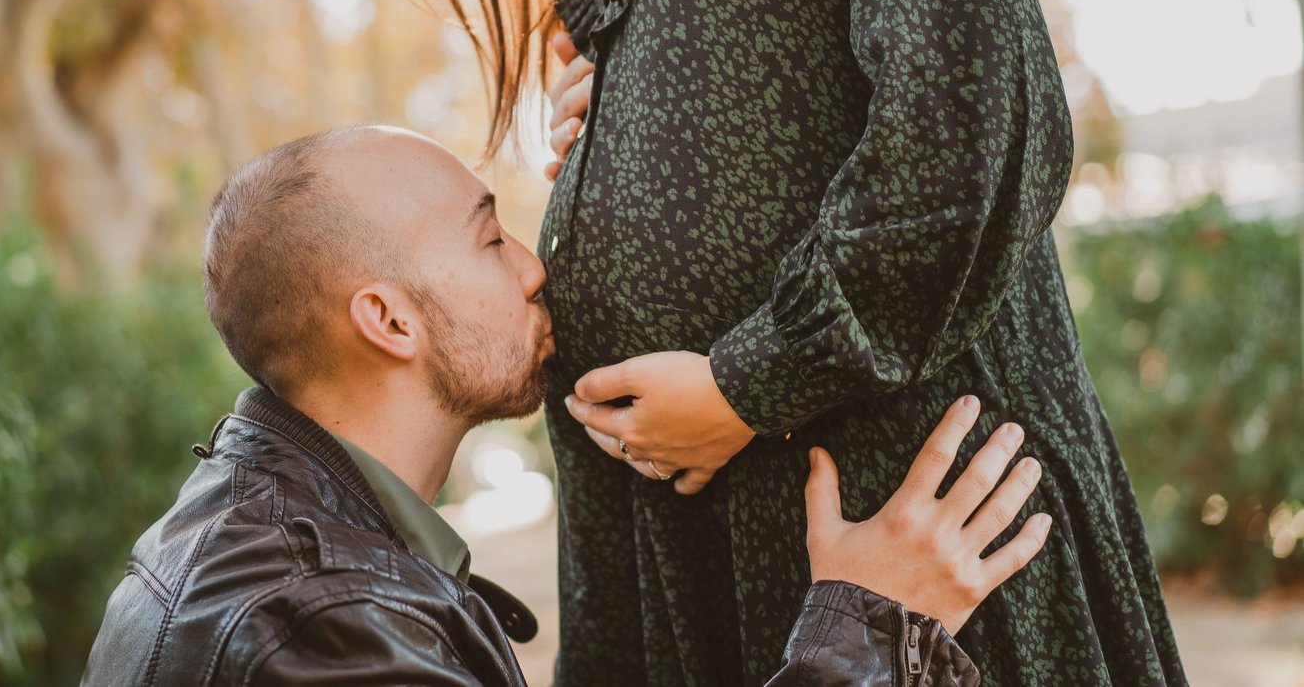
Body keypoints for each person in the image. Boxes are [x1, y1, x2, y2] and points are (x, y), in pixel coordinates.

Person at [382, 0, 1187, 684]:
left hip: (903, 531)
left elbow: (972, 121)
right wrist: (630, 110)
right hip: (688, 561)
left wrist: (750, 382)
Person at [80, 127, 1051, 685]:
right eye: (488, 236)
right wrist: (871, 630)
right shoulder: (317, 629)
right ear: (387, 320)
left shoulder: (254, 534)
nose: (535, 268)